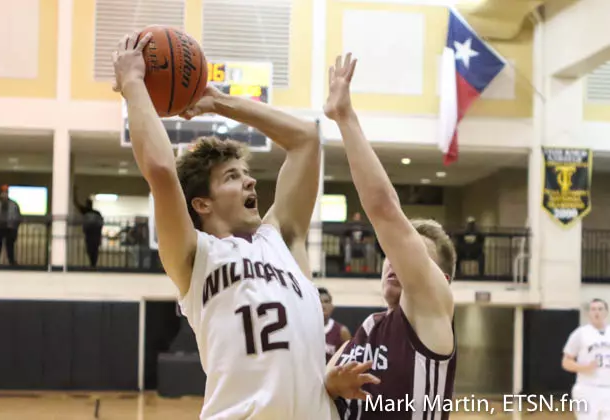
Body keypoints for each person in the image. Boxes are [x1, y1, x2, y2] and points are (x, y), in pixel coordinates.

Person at [112, 32, 375, 420]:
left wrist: (218, 101)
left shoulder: (282, 238)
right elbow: (161, 170)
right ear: (202, 203)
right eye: (233, 177)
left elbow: (305, 140)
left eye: (246, 174)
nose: (251, 182)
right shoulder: (195, 257)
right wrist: (134, 83)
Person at [323, 54, 457, 419]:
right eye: (391, 255)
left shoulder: (431, 314)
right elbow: (320, 386)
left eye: (413, 256)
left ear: (440, 282)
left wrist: (345, 118)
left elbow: (384, 210)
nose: (395, 260)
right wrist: (331, 384)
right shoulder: (369, 327)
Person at [562, 298, 610, 420]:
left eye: (600, 309)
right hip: (586, 388)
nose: (597, 312)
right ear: (589, 313)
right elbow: (566, 362)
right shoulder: (580, 333)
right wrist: (584, 368)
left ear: (606, 312)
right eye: (593, 309)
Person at [0, 184, 21, 266]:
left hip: (10, 228)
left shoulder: (14, 205)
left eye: (6, 193)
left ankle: (11, 261)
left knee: (10, 246)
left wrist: (14, 228)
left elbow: (18, 217)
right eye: (3, 193)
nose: (4, 195)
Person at [73, 187, 104, 268]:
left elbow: (76, 203)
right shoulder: (96, 212)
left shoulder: (86, 211)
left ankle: (92, 264)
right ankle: (93, 264)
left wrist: (74, 192)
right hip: (94, 235)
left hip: (90, 234)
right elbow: (101, 223)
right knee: (93, 250)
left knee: (91, 250)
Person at [319, 287, 352, 362]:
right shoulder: (306, 330)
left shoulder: (342, 331)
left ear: (332, 307)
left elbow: (350, 359)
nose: (323, 305)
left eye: (326, 302)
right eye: (319, 301)